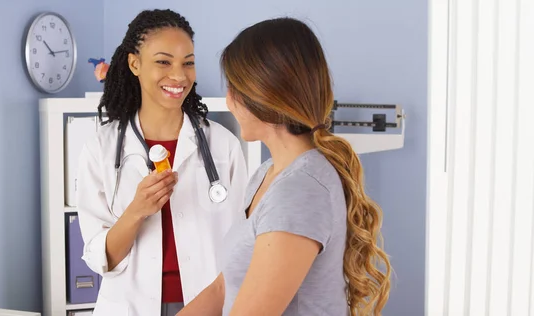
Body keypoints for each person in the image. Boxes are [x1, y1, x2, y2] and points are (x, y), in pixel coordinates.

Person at [177, 17, 392, 316]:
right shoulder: (267, 174)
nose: (229, 101)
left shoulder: (299, 190)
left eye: (234, 90)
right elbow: (223, 288)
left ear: (264, 94)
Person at [76, 9, 248, 316]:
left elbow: (242, 247)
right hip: (131, 306)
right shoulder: (100, 148)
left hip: (206, 305)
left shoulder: (223, 146)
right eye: (163, 62)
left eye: (188, 63)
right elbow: (102, 258)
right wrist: (137, 210)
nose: (179, 76)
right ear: (135, 64)